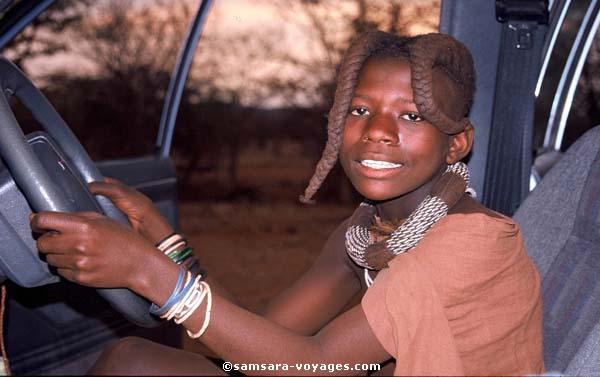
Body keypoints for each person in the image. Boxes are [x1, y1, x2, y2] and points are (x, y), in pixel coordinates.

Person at [29, 31, 544, 376]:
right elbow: (267, 342)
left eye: (411, 116)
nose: (378, 132)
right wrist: (164, 244)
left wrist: (148, 273)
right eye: (361, 109)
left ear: (457, 143)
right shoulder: (366, 229)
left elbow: (310, 362)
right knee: (131, 359)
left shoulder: (470, 243)